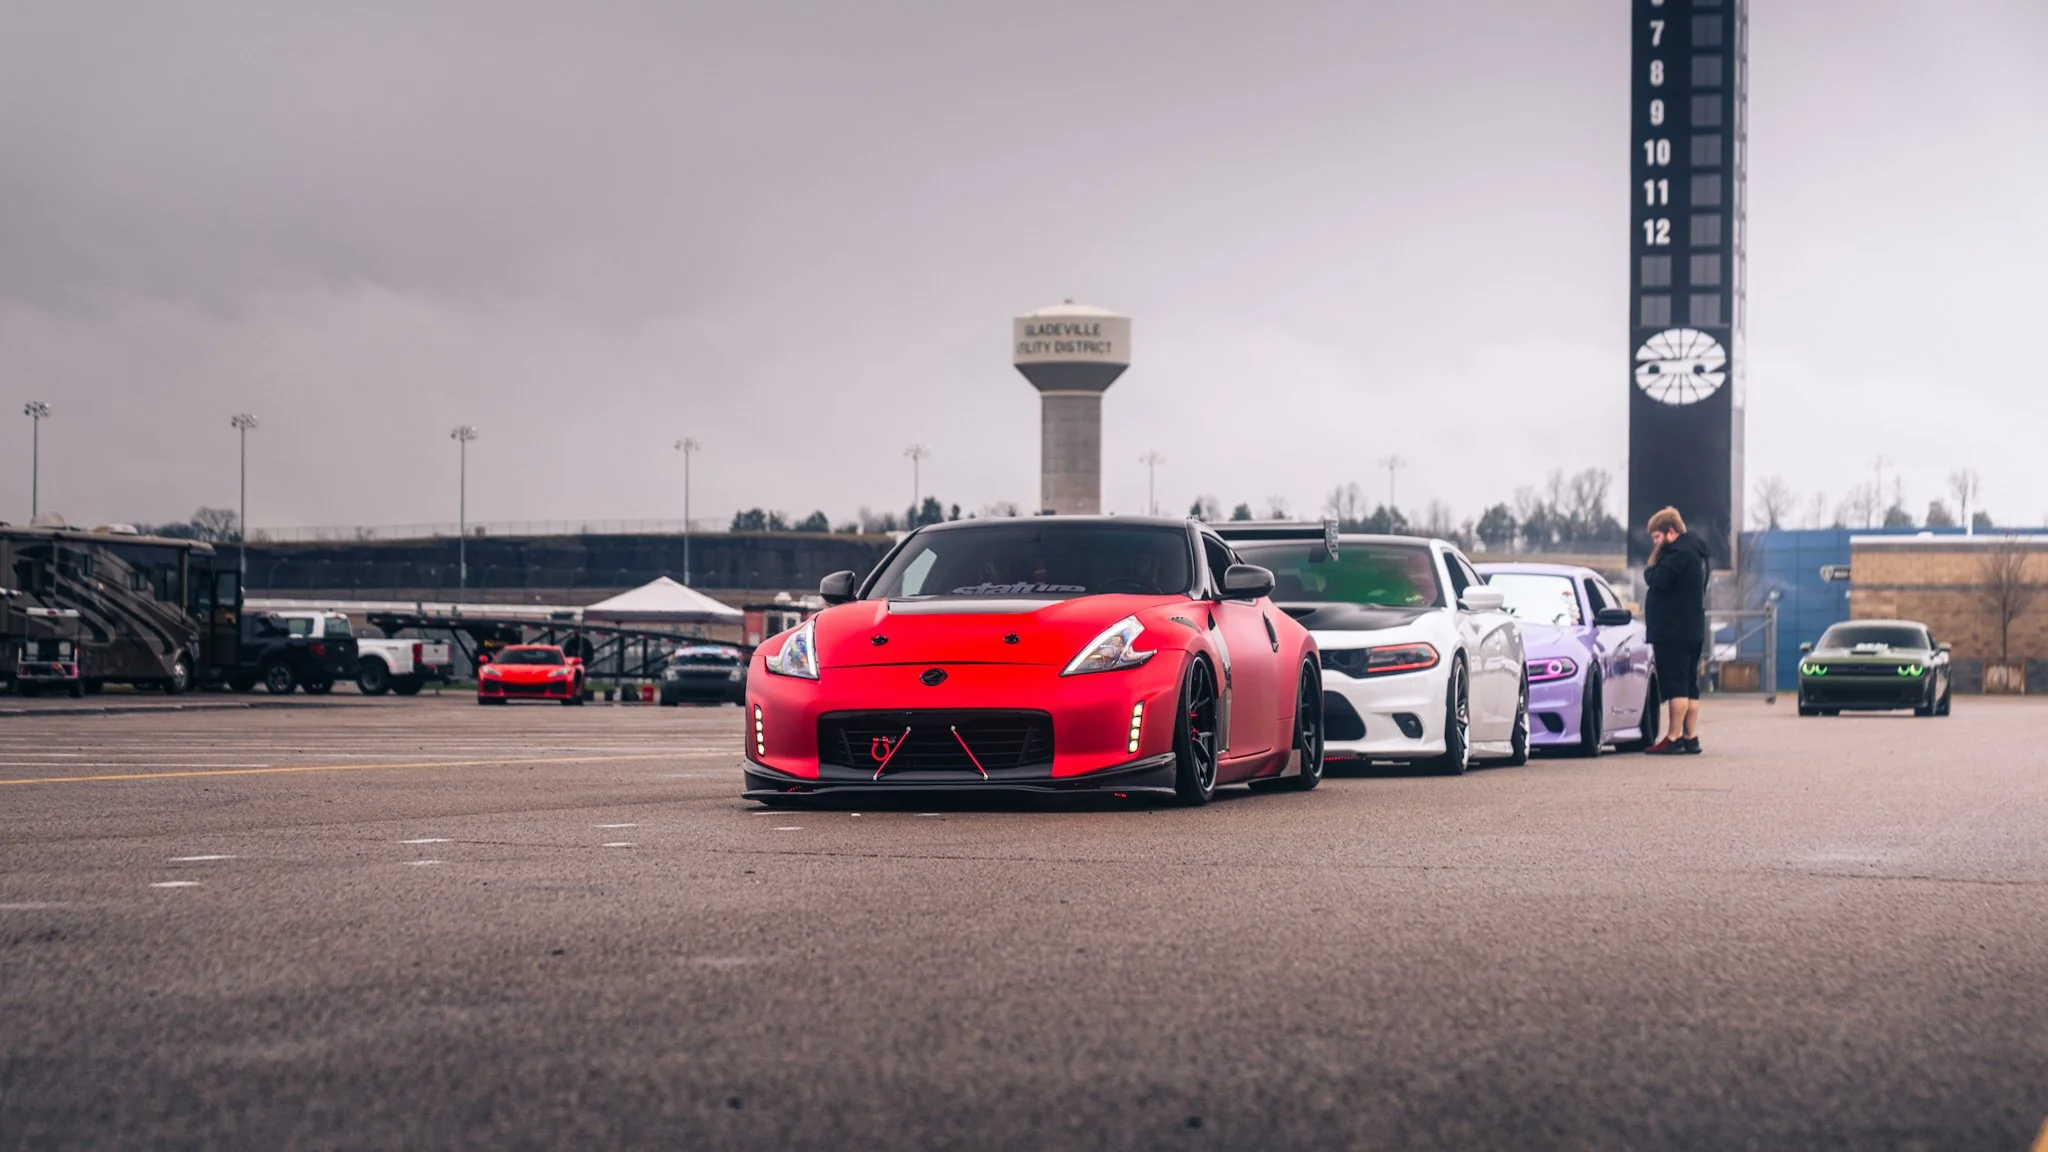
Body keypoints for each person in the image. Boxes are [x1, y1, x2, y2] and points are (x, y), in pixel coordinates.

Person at [1641, 506, 1711, 755]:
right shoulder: (1698, 553)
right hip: (1692, 629)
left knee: (1676, 685)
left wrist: (1650, 569)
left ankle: (1673, 737)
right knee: (1690, 685)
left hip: (1673, 631)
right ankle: (1690, 736)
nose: (1655, 542)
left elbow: (1658, 580)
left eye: (1657, 537)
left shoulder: (1677, 554)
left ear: (1671, 532)